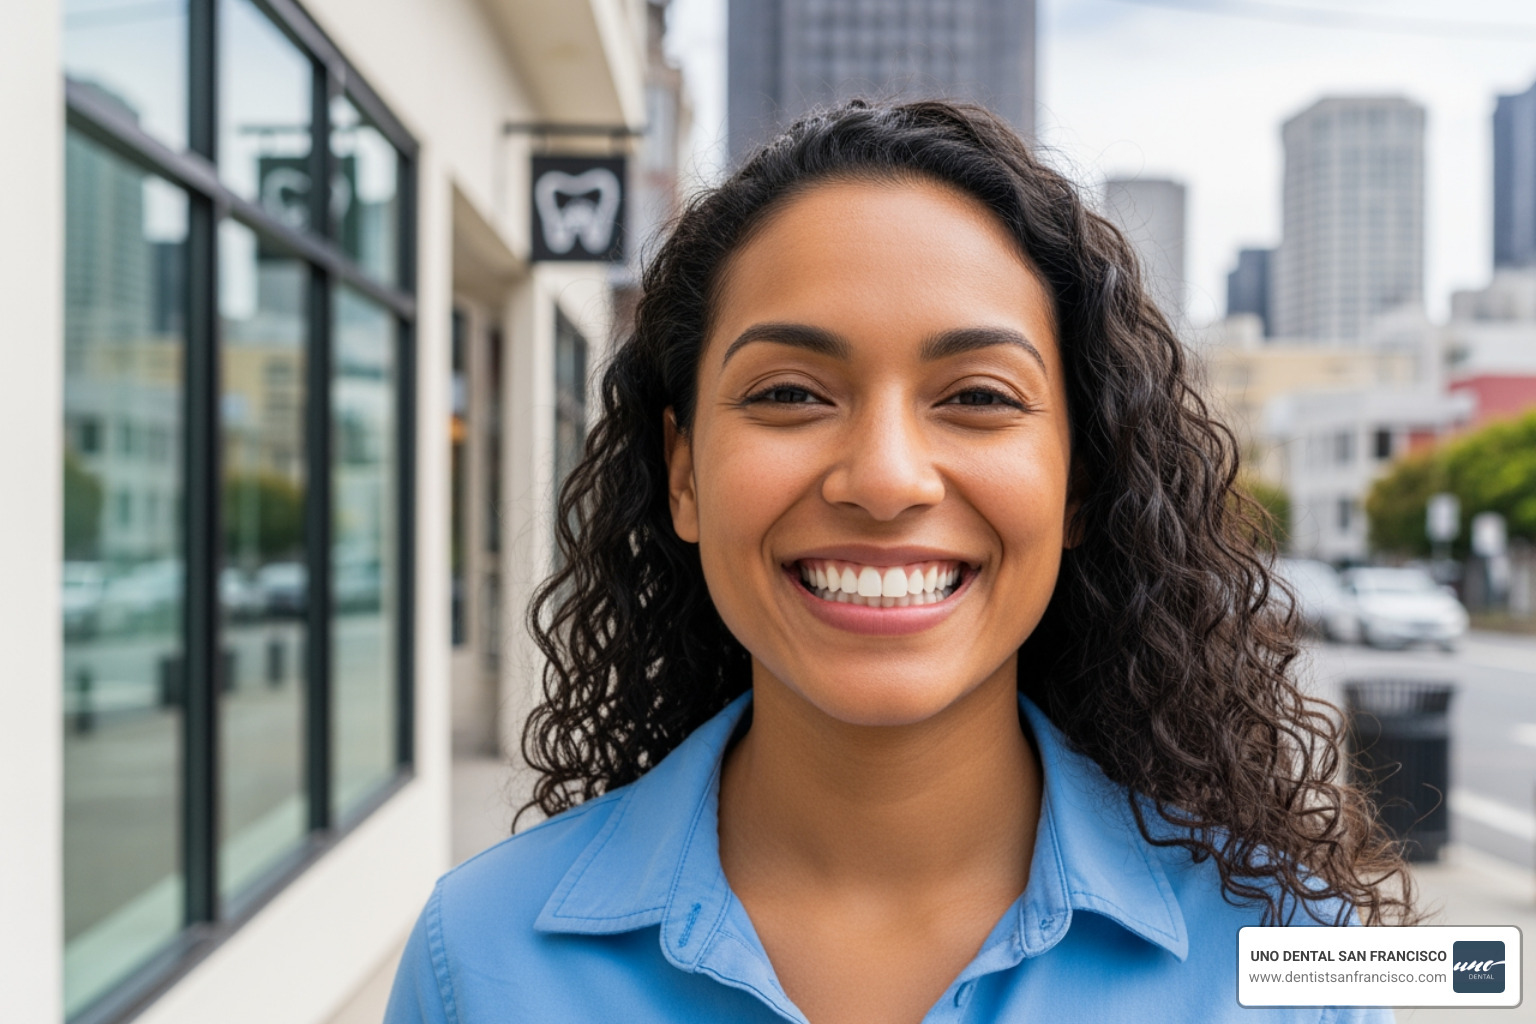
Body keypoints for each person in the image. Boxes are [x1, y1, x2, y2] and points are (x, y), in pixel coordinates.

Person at [384, 100, 1412, 1024]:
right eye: (789, 393)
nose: (884, 479)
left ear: (1080, 485)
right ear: (684, 471)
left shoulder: (1294, 957)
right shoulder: (474, 956)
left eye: (978, 396)